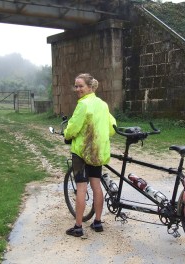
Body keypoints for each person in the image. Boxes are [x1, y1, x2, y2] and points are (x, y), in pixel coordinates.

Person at [63, 73, 116, 237]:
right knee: (96, 185)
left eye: (80, 86)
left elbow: (73, 127)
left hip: (82, 152)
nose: (77, 89)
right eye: (76, 86)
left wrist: (67, 135)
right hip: (97, 151)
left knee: (81, 187)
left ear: (89, 87)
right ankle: (98, 222)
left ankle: (78, 226)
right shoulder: (103, 104)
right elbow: (112, 126)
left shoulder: (83, 105)